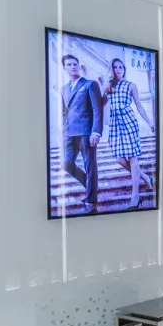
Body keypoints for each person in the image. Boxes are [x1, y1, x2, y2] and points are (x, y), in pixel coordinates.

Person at [101, 58, 155, 210]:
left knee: (132, 157)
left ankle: (135, 196)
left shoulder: (131, 85)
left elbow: (139, 106)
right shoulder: (109, 87)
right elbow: (100, 104)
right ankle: (145, 177)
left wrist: (150, 123)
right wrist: (105, 85)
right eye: (115, 67)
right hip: (115, 124)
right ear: (111, 70)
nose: (118, 69)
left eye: (120, 67)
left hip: (128, 121)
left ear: (124, 69)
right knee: (119, 159)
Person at [60, 54, 103, 214]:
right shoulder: (64, 88)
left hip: (86, 132)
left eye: (75, 64)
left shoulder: (90, 84)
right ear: (65, 68)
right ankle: (92, 186)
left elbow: (97, 110)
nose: (73, 66)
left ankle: (91, 202)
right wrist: (63, 129)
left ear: (79, 65)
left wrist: (96, 131)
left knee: (90, 165)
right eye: (69, 64)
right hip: (69, 133)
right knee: (66, 163)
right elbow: (65, 112)